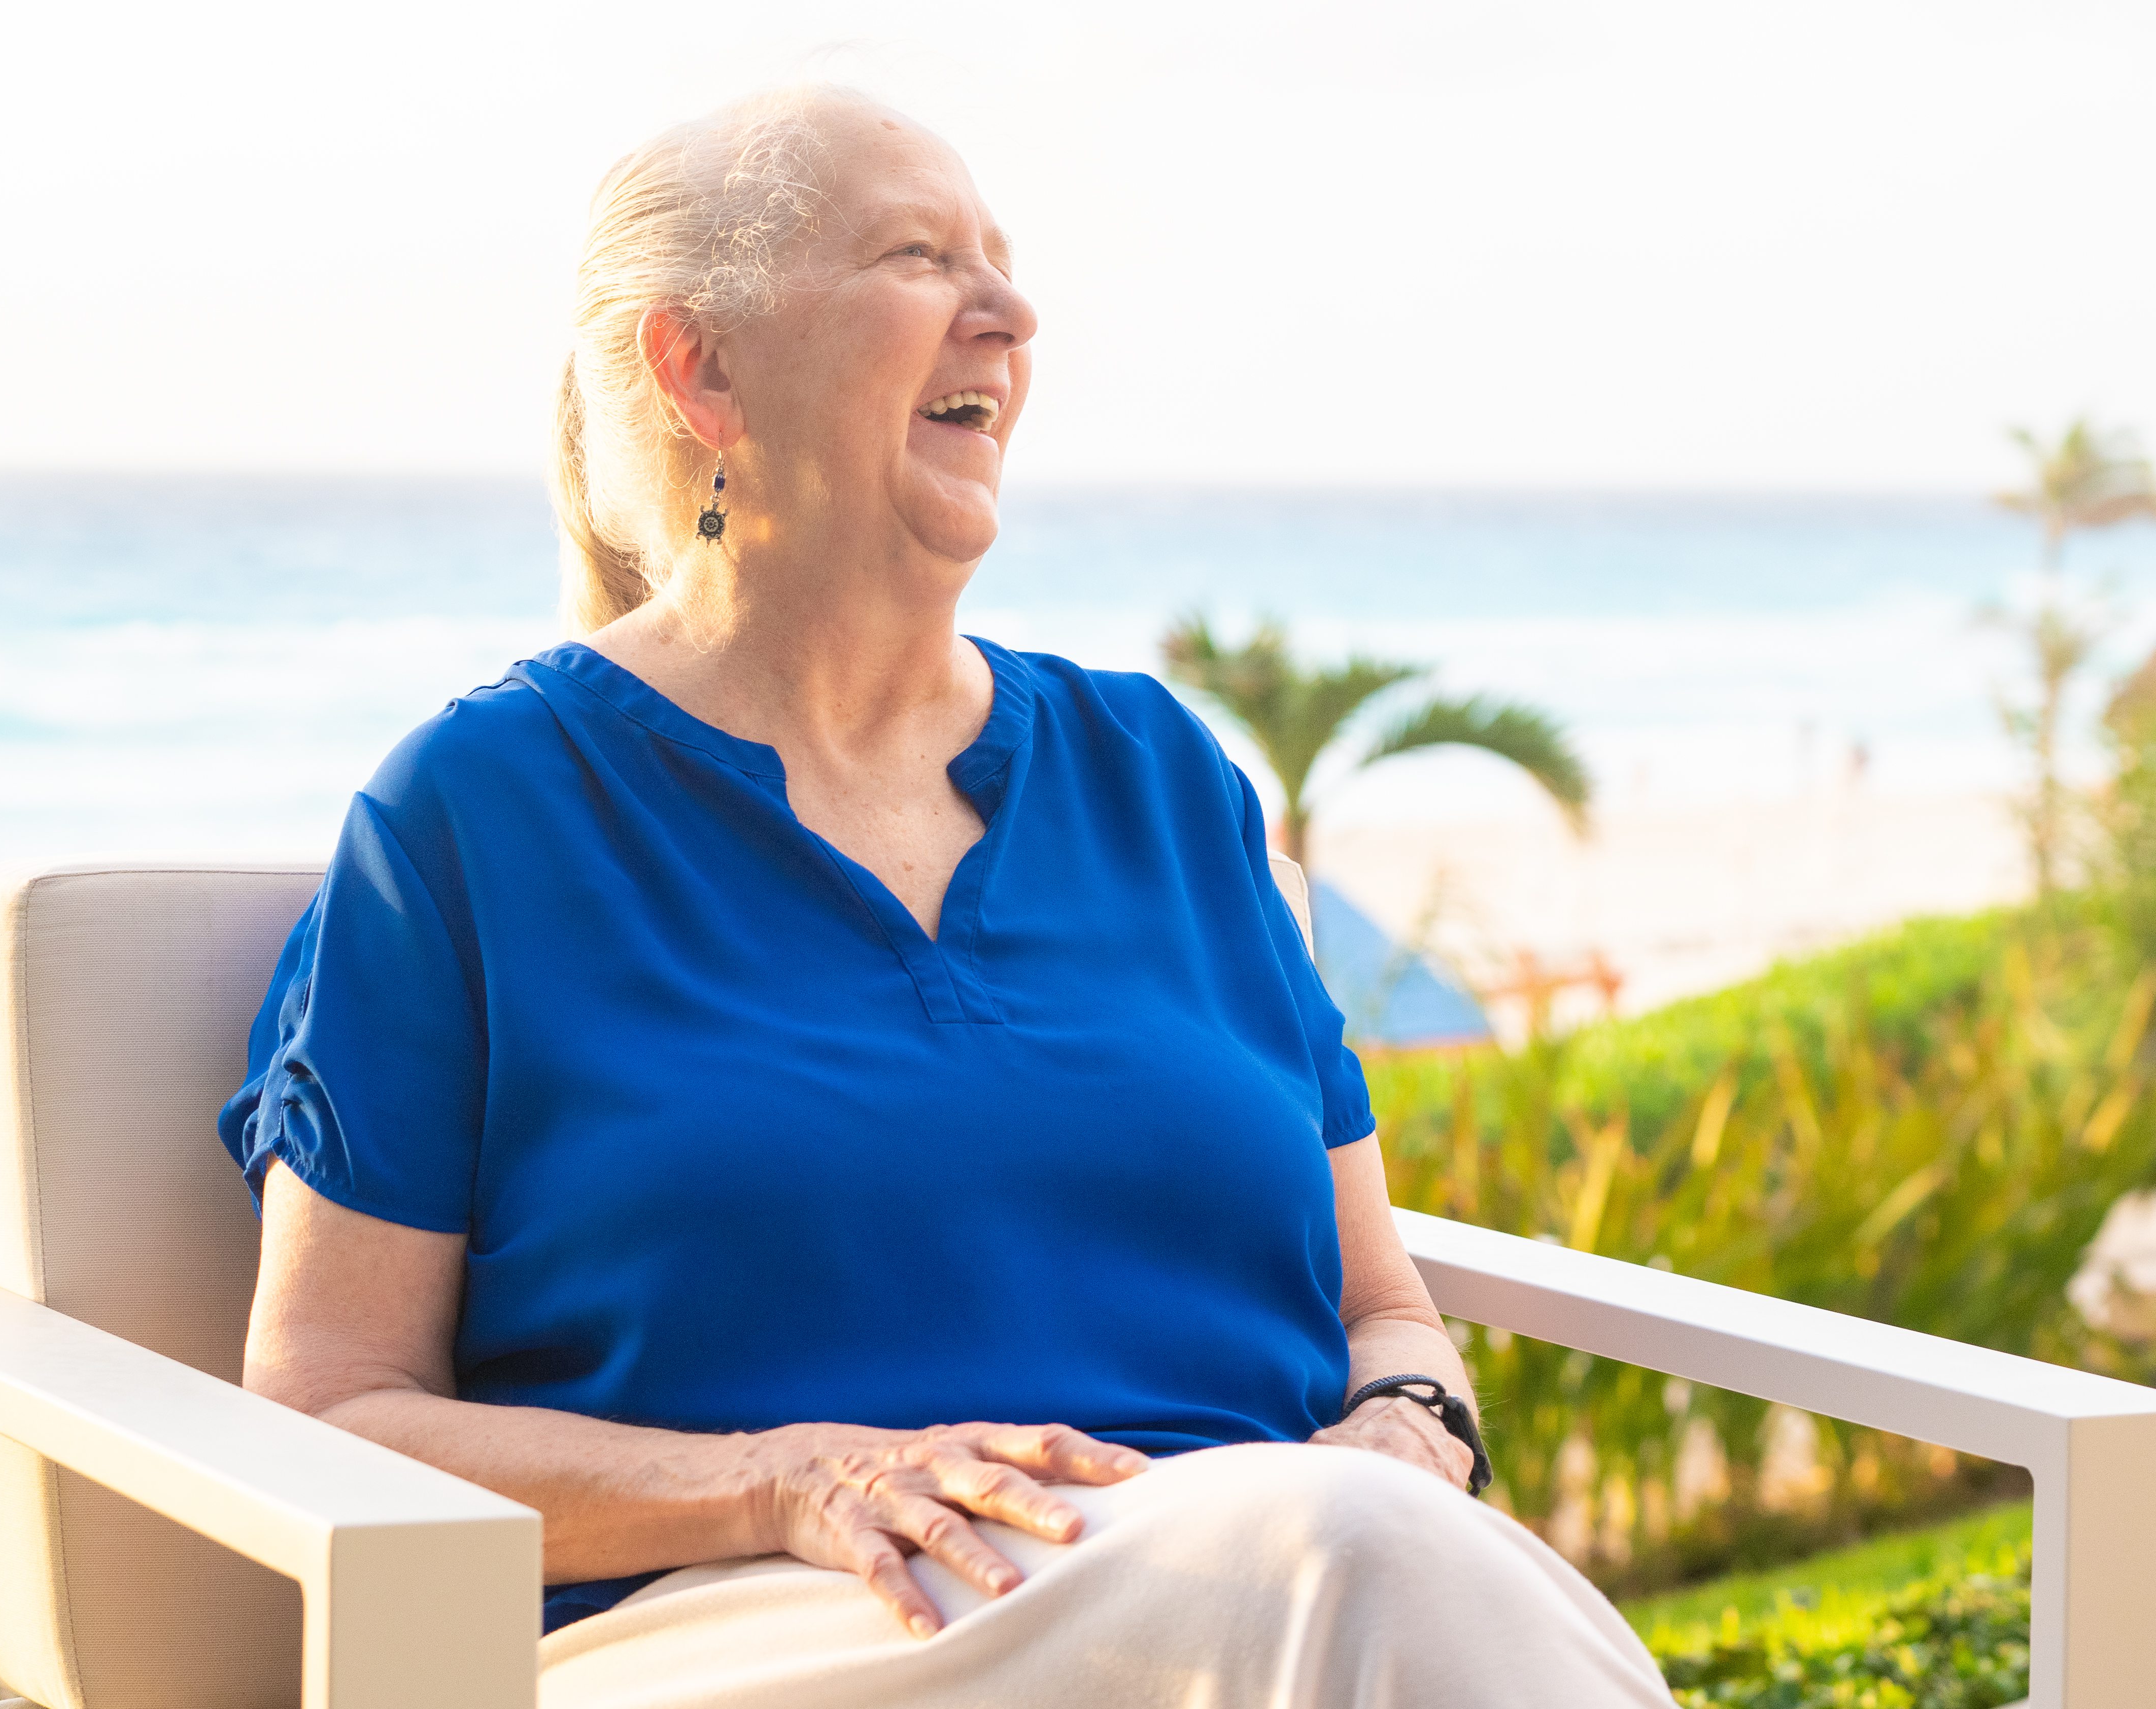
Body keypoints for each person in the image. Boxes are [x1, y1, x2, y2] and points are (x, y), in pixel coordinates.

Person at [220, 85, 1674, 1709]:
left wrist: (1414, 1429)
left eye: (1004, 261)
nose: (1012, 312)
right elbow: (331, 1413)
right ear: (699, 367)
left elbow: (1380, 1301)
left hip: (1277, 1587)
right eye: (921, 257)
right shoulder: (473, 818)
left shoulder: (1163, 780)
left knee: (1368, 1548)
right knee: (1362, 1564)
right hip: (750, 1616)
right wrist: (780, 1478)